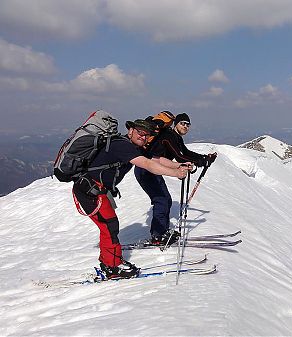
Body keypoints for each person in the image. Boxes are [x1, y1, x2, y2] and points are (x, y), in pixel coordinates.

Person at [72, 118, 191, 279]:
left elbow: (155, 159)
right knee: (109, 225)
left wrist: (178, 165)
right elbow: (148, 165)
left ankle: (108, 260)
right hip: (89, 190)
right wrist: (175, 174)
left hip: (97, 190)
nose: (143, 137)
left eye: (146, 135)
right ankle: (112, 267)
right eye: (140, 133)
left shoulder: (134, 147)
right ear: (130, 131)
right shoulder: (122, 145)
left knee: (109, 225)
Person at [134, 112, 216, 246]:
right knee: (161, 200)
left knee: (165, 200)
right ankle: (158, 236)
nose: (185, 127)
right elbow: (179, 156)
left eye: (188, 125)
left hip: (151, 170)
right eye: (182, 123)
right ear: (175, 124)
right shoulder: (169, 136)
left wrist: (204, 158)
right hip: (146, 169)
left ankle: (161, 232)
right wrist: (201, 161)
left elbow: (186, 152)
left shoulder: (175, 137)